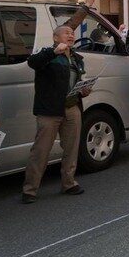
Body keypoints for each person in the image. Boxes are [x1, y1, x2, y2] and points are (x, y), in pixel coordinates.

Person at [23, 24, 92, 203]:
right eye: (66, 33)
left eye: (72, 33)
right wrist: (54, 52)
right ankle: (30, 189)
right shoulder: (47, 54)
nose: (71, 36)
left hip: (72, 107)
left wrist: (83, 90)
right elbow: (33, 63)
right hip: (49, 110)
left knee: (71, 148)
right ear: (55, 37)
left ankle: (69, 183)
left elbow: (76, 81)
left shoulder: (77, 58)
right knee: (40, 150)